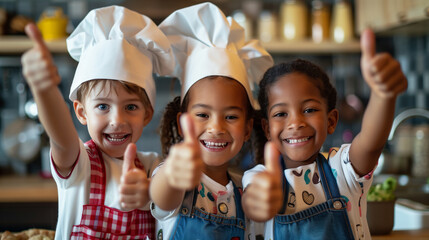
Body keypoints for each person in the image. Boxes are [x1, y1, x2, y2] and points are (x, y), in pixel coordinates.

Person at [21, 6, 175, 239]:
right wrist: (44, 90)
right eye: (103, 106)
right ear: (82, 113)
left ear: (147, 114)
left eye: (130, 107)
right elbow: (61, 138)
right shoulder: (80, 162)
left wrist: (148, 192)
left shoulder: (152, 166)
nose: (117, 120)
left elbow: (169, 191)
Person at [242, 29, 407, 239]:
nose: (296, 123)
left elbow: (371, 143)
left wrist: (383, 96)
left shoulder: (343, 170)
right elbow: (252, 200)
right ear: (267, 128)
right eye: (281, 113)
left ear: (331, 121)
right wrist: (260, 201)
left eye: (309, 110)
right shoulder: (258, 178)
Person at [148, 3, 273, 240]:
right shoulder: (174, 176)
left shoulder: (246, 191)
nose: (216, 128)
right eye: (203, 115)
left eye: (231, 117)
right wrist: (173, 176)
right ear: (182, 122)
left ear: (248, 128)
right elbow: (161, 195)